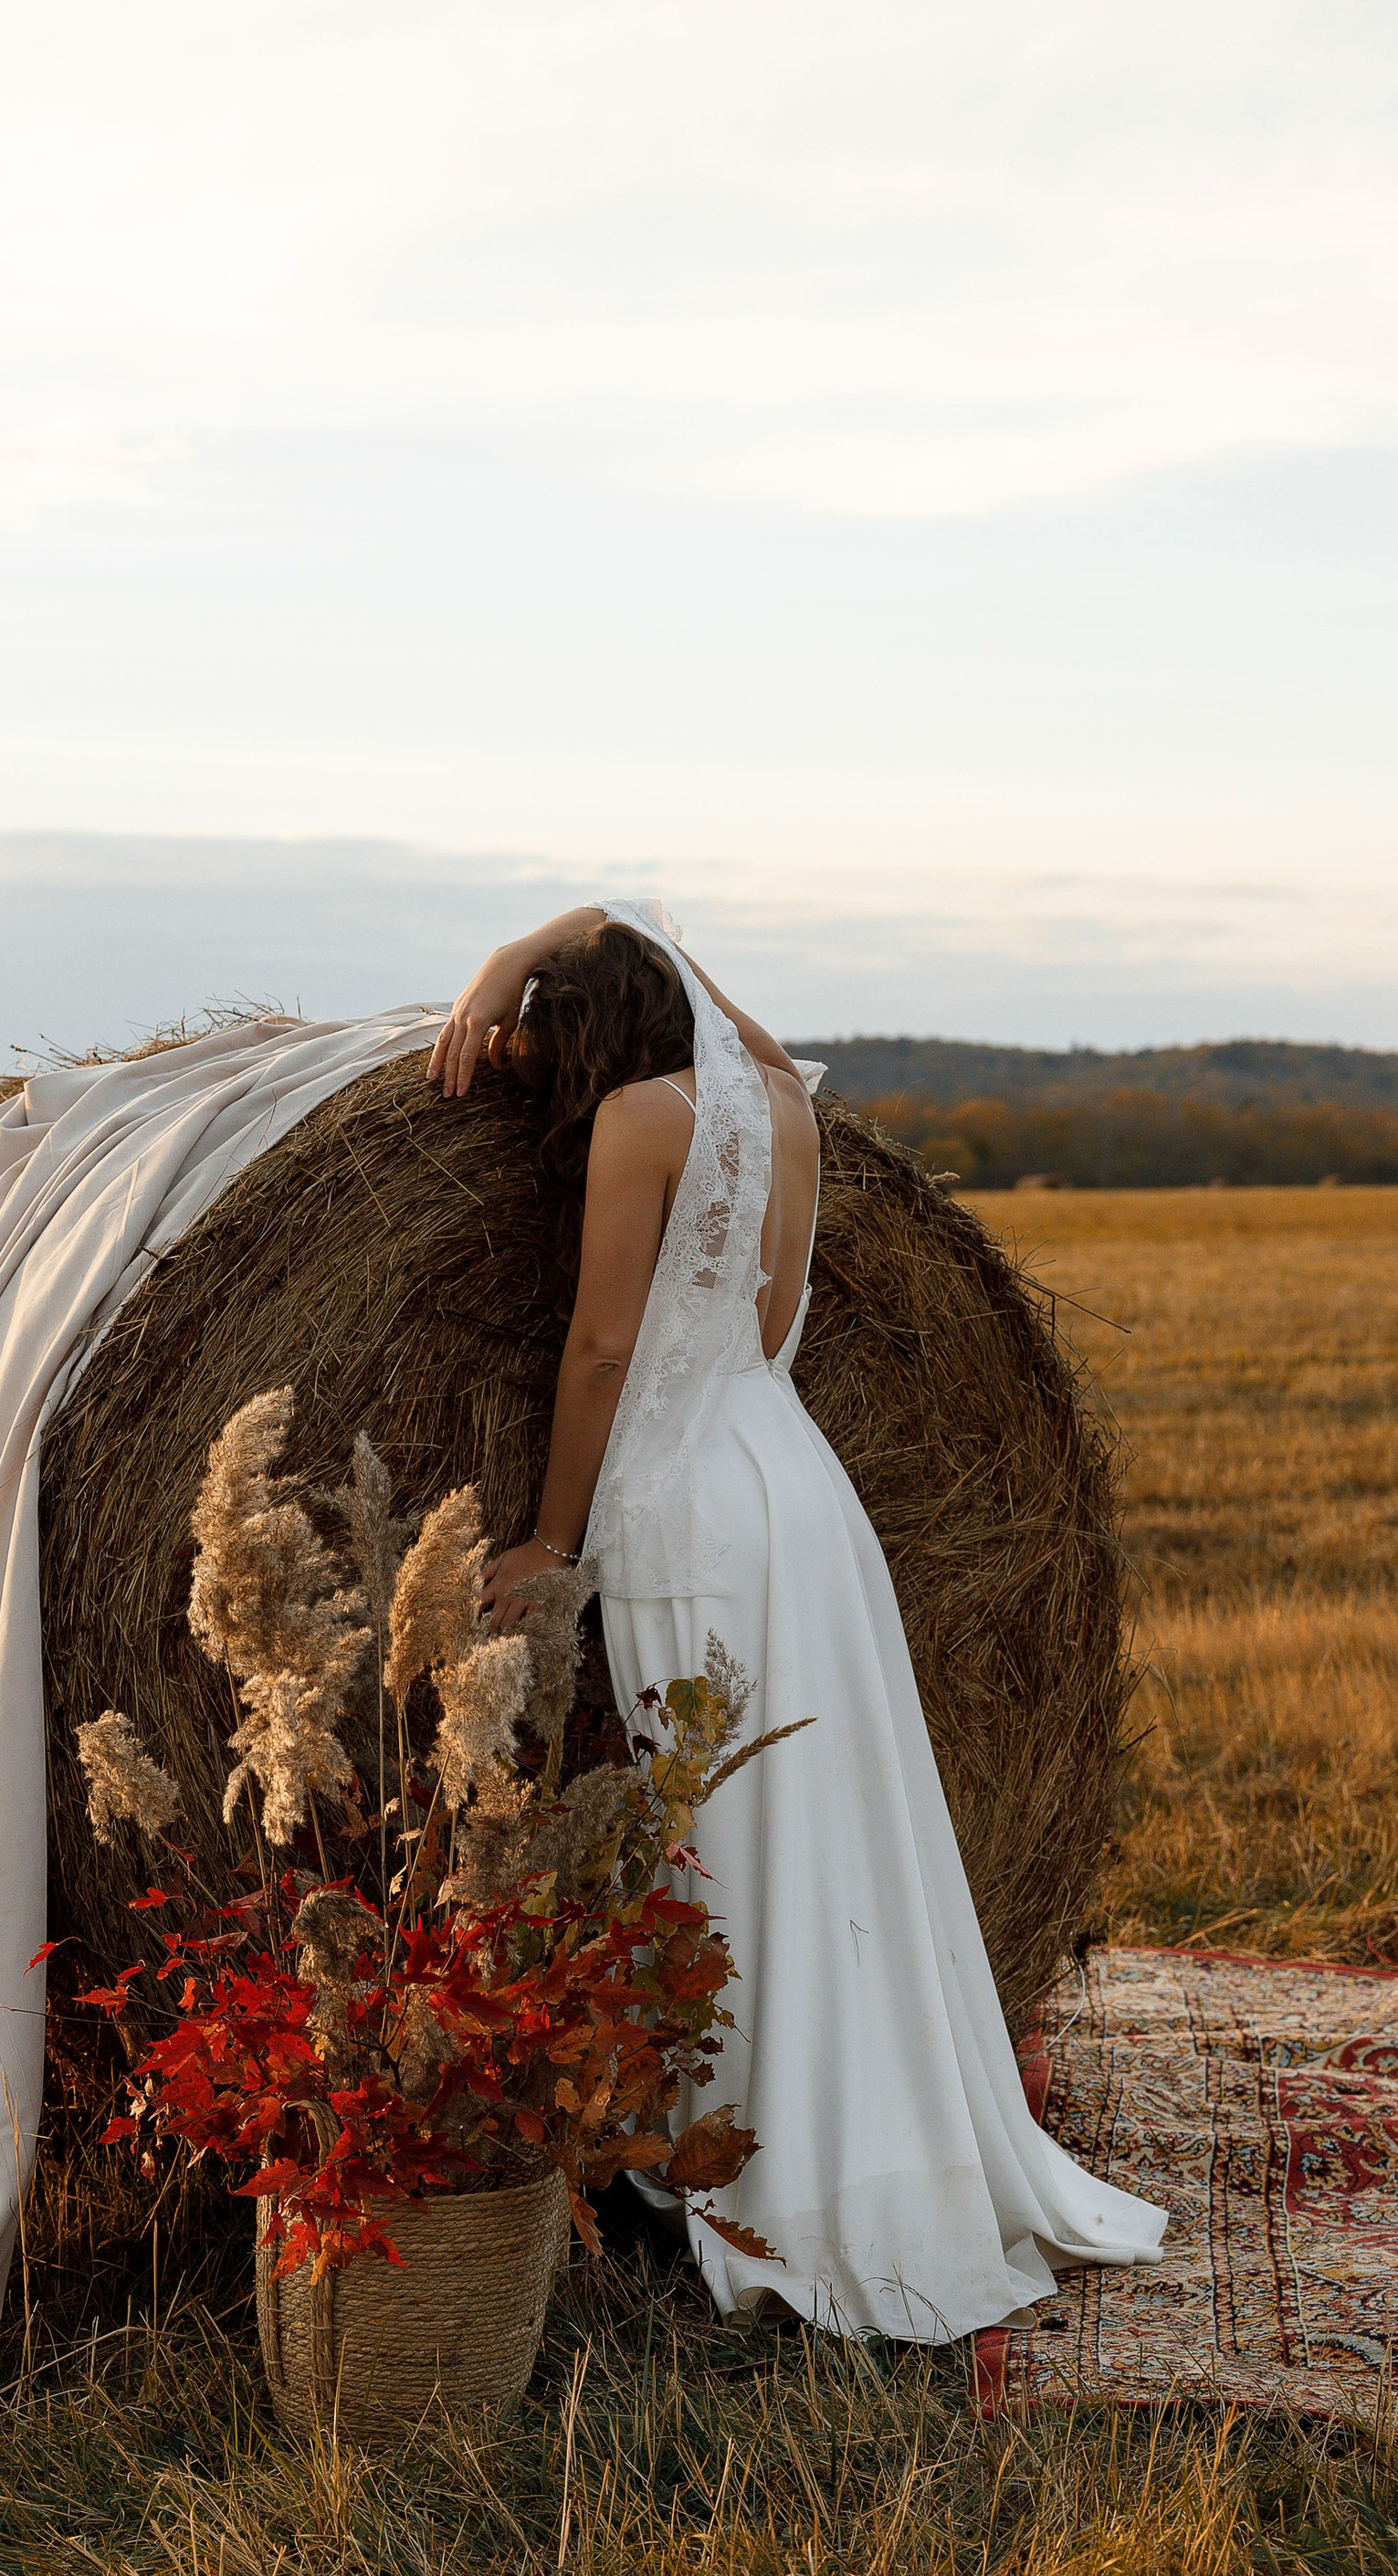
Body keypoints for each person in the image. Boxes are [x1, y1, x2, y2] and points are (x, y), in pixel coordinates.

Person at [428, 899, 1165, 2342]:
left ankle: (771, 2168)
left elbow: (598, 1344)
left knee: (720, 1832)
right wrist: (565, 932)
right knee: (830, 1815)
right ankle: (885, 2141)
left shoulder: (640, 1119)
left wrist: (551, 1541)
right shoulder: (779, 1101)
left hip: (685, 1499)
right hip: (804, 1489)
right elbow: (703, 990)